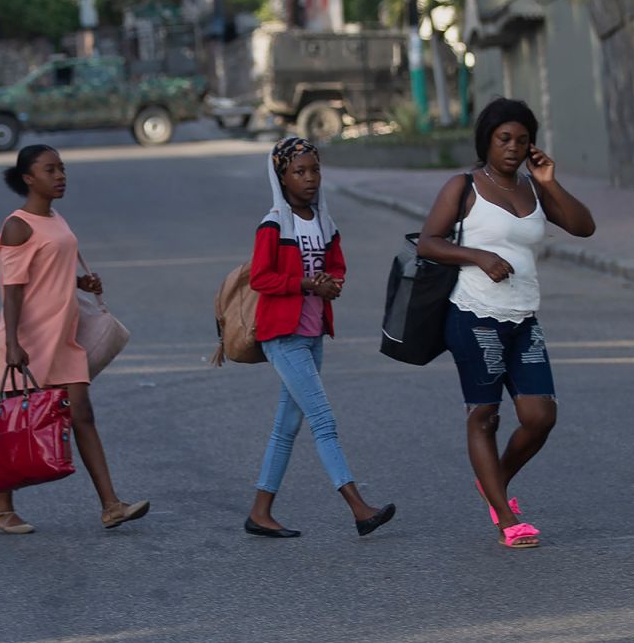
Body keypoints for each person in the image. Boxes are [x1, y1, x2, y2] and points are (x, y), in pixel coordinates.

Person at [418, 98, 595, 549]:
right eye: (503, 139)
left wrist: (550, 183)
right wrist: (478, 255)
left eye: (521, 140)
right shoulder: (464, 186)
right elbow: (428, 242)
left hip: (523, 318)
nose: (513, 148)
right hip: (474, 316)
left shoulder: (533, 189)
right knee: (485, 418)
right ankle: (504, 517)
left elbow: (583, 226)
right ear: (486, 141)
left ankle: (493, 481)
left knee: (540, 417)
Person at [0, 144, 149, 535]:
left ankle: (111, 506)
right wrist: (13, 343)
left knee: (83, 415)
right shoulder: (17, 225)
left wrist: (80, 282)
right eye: (50, 170)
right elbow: (12, 290)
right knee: (18, 426)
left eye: (62, 169)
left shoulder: (55, 217)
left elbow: (49, 268)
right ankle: (2, 508)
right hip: (29, 340)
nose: (60, 176)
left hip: (65, 336)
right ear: (29, 178)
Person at [245, 137, 396, 538]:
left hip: (311, 335)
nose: (310, 178)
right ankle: (358, 508)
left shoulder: (325, 221)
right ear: (281, 177)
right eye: (299, 171)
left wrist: (331, 282)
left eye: (314, 170)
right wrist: (309, 284)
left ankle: (260, 512)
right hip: (282, 335)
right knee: (323, 421)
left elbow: (336, 266)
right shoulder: (274, 224)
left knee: (286, 426)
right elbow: (261, 278)